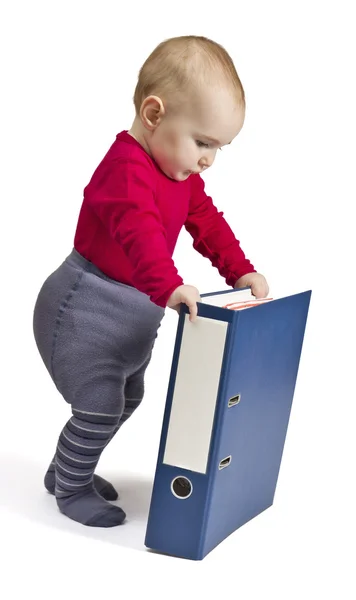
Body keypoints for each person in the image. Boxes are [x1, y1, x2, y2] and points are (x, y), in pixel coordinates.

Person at [33, 35, 269, 528]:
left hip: (130, 314)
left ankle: (67, 469)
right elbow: (138, 230)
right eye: (202, 142)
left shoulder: (180, 177)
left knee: (127, 398)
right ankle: (71, 489)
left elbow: (207, 223)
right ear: (153, 114)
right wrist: (169, 284)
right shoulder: (124, 168)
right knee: (98, 403)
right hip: (84, 309)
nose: (208, 159)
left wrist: (239, 269)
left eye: (219, 148)